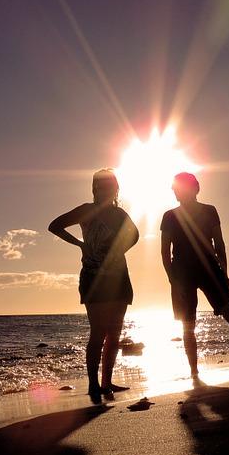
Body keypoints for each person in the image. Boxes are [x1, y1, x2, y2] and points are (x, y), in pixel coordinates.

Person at [160, 171, 229, 379]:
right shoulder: (169, 216)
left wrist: (224, 273)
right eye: (174, 188)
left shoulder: (209, 211)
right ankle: (194, 372)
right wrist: (172, 279)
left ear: (194, 188)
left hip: (210, 269)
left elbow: (219, 243)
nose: (175, 191)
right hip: (182, 273)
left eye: (178, 187)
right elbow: (165, 251)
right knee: (188, 324)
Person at [49, 169, 139, 404]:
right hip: (93, 278)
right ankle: (93, 384)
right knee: (98, 331)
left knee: (115, 333)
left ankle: (107, 382)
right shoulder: (85, 210)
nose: (107, 189)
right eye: (102, 185)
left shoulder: (120, 214)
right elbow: (55, 226)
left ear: (116, 188)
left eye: (111, 185)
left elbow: (136, 235)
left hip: (118, 277)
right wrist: (80, 244)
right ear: (95, 188)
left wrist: (119, 250)